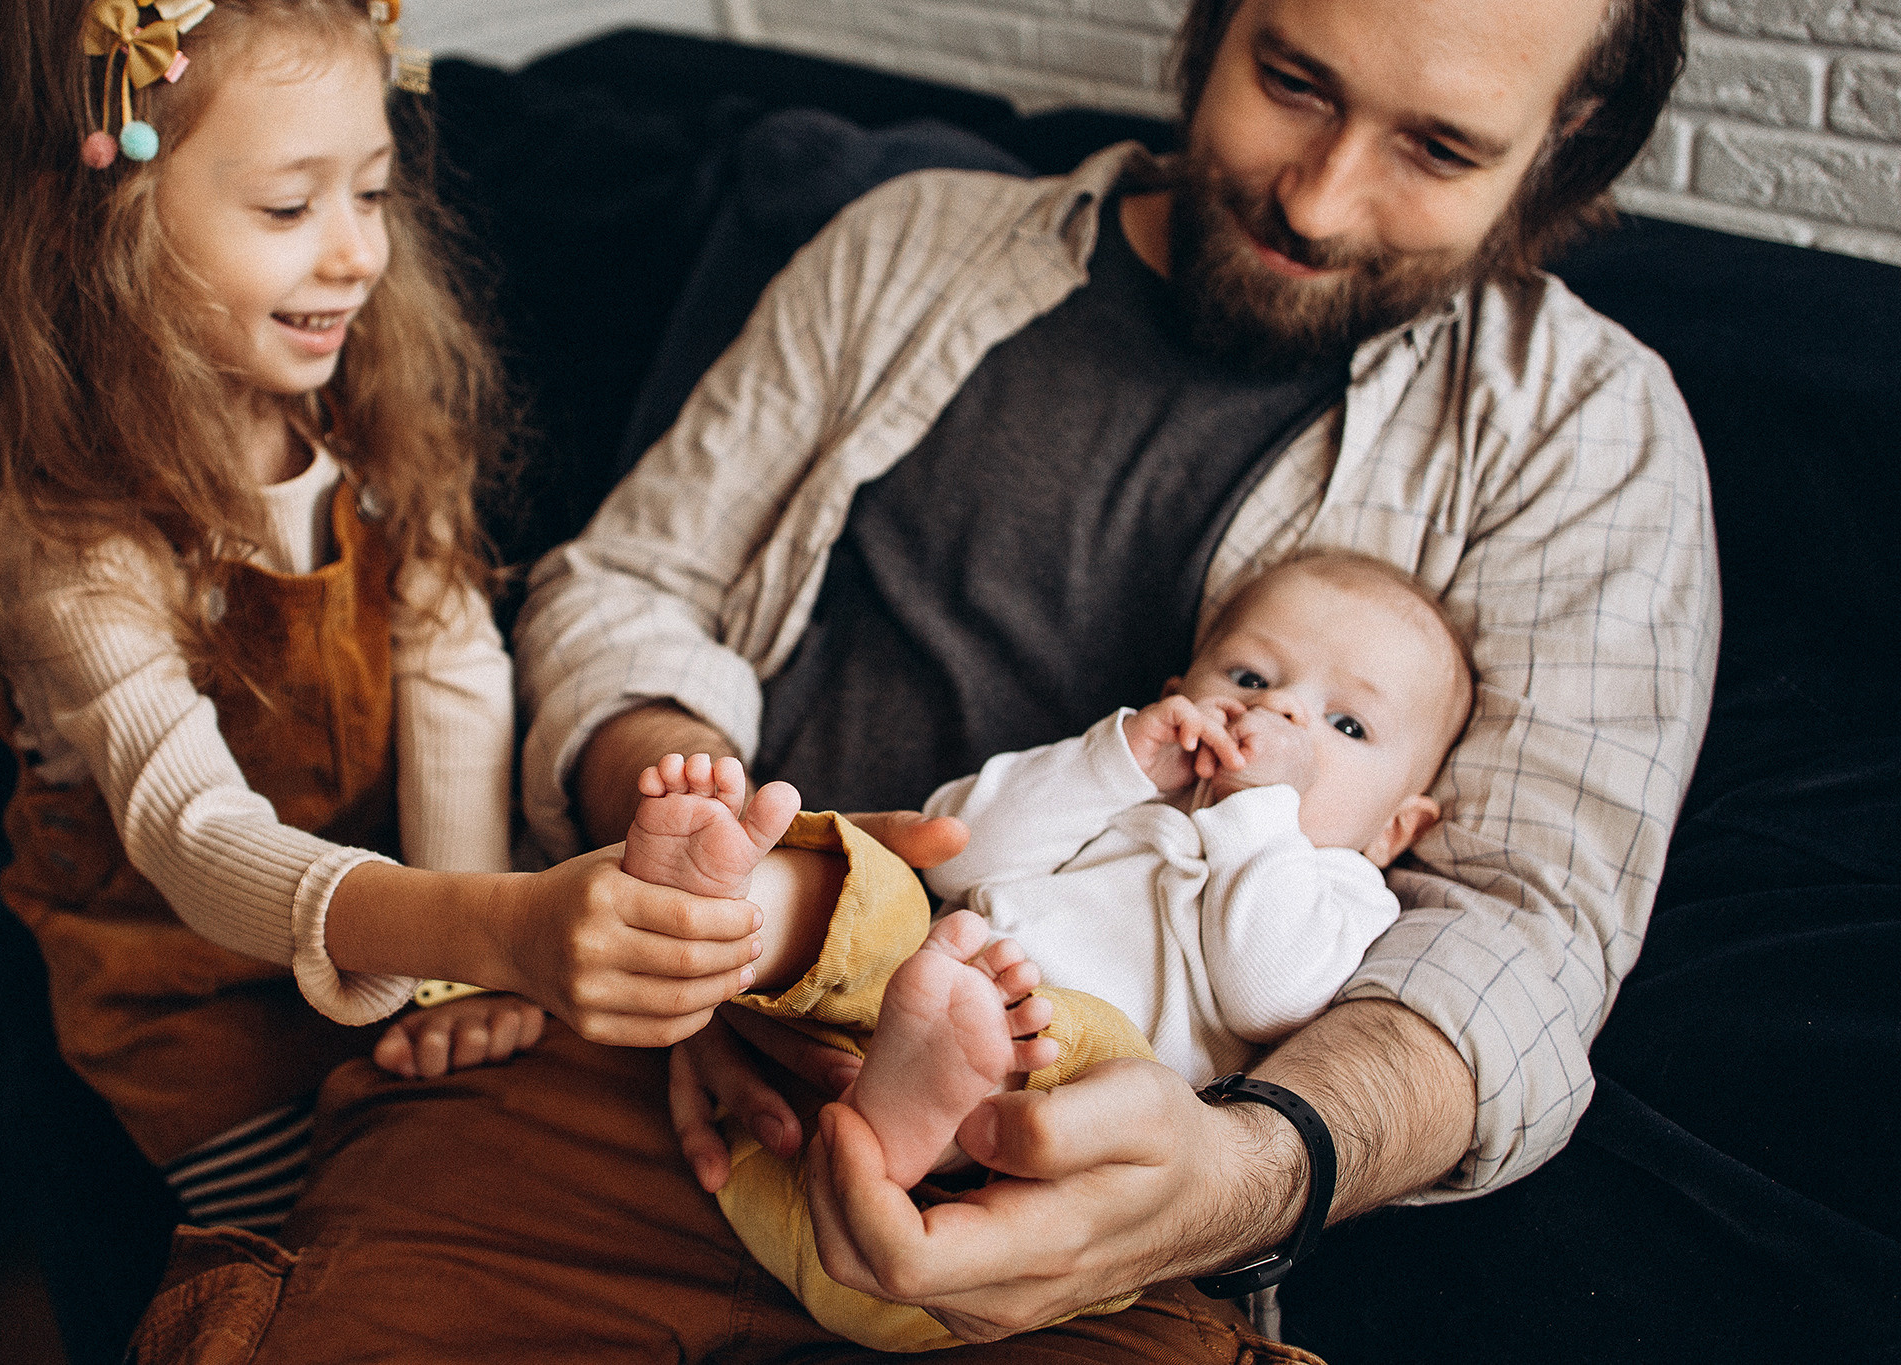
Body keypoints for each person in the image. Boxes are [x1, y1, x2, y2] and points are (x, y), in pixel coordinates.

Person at [122, 0, 1718, 1358]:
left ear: (1557, 162)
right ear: (1212, 23)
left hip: (1088, 1225)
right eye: (1291, 80)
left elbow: (1529, 929)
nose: (1318, 194)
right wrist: (706, 886)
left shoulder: (1579, 434)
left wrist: (1242, 1170)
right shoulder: (906, 245)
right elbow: (632, 585)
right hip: (644, 1088)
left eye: (1438, 150)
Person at [0, 0, 761, 1236]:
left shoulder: (361, 423)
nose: (359, 253)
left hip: (420, 918)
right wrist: (489, 928)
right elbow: (192, 832)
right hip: (195, 1004)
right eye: (287, 207)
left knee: (528, 1194)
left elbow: (455, 666)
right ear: (89, 222)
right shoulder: (60, 530)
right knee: (322, 1260)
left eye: (370, 192)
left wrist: (468, 958)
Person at [617, 550, 1477, 1351]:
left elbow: (1267, 991)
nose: (1279, 711)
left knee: (1099, 1051)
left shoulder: (1341, 888)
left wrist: (1259, 811)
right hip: (814, 1109)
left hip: (1019, 1200)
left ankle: (939, 1094)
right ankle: (729, 901)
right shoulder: (1121, 801)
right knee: (883, 890)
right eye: (1250, 677)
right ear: (1179, 693)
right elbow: (957, 847)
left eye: (1347, 724)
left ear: (1398, 826)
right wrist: (1111, 764)